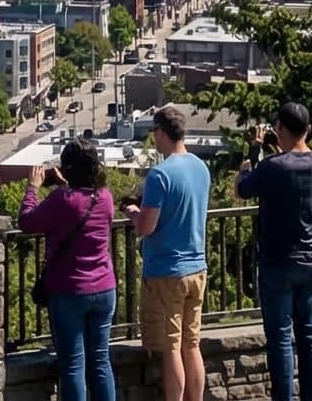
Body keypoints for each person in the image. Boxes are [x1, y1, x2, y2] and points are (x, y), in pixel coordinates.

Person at [235, 101, 312, 401]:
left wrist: (251, 153)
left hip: (278, 263)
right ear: (309, 129)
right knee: (309, 337)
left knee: (279, 340)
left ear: (279, 129)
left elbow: (243, 190)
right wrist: (278, 150)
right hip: (311, 261)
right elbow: (292, 172)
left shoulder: (271, 167)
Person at [19, 137, 119, 401]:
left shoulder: (61, 200)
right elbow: (82, 202)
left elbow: (27, 222)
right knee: (100, 361)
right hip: (105, 288)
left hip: (70, 290)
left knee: (73, 365)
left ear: (67, 168)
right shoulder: (106, 197)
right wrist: (67, 185)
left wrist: (32, 188)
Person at [133, 105, 209, 401]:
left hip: (166, 271)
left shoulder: (159, 175)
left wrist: (133, 213)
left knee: (171, 347)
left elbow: (146, 227)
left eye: (154, 132)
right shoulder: (201, 167)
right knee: (192, 344)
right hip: (196, 268)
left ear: (162, 133)